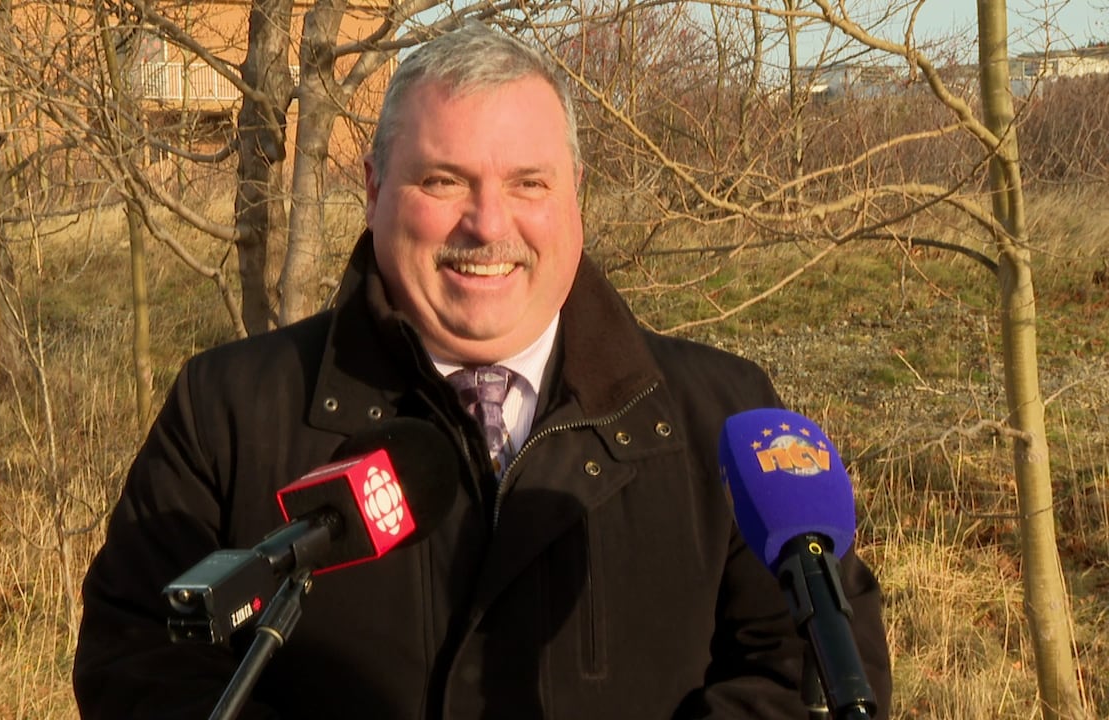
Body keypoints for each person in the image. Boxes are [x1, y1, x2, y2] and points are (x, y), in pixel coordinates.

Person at [73, 24, 892, 719]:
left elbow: (803, 666)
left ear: (576, 194)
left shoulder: (724, 417)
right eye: (443, 181)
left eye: (527, 184)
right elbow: (137, 664)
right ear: (373, 187)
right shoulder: (229, 411)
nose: (488, 224)